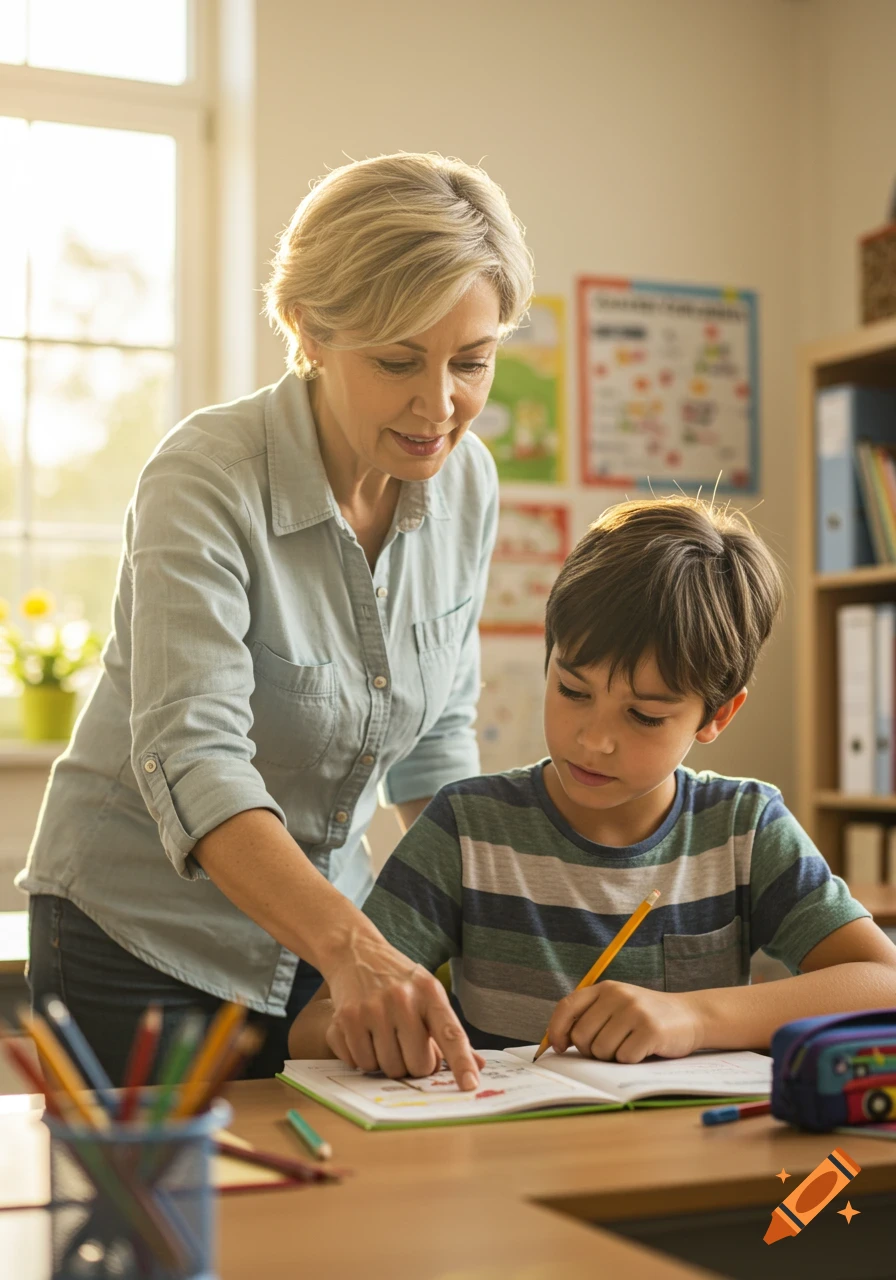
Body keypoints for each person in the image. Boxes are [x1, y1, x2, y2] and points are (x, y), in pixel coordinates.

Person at [18, 151, 535, 1088]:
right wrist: (358, 951)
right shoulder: (207, 474)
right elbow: (195, 756)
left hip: (327, 940)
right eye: (397, 360)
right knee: (164, 1223)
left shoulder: (468, 482)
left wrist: (501, 936)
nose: (439, 405)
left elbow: (436, 748)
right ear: (308, 329)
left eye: (472, 361)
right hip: (139, 935)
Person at [289, 497, 896, 1073]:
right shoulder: (469, 827)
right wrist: (360, 1033)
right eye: (573, 691)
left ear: (717, 715)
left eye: (644, 716)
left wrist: (693, 1016)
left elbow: (882, 983)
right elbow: (315, 1025)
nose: (594, 740)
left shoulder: (744, 828)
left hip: (689, 1156)